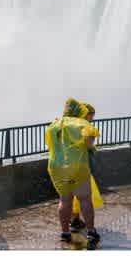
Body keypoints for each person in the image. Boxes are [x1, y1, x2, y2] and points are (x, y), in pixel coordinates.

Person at [45, 98, 101, 246]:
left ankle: (65, 233)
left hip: (57, 167)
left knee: (65, 200)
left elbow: (50, 145)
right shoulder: (81, 124)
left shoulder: (54, 125)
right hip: (77, 166)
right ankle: (91, 232)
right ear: (79, 112)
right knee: (84, 198)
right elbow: (89, 143)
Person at [70, 102, 103, 232]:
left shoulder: (70, 126)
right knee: (84, 197)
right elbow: (87, 145)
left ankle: (75, 220)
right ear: (86, 114)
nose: (92, 119)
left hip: (68, 165)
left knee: (72, 195)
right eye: (91, 116)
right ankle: (90, 230)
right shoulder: (83, 126)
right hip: (81, 165)